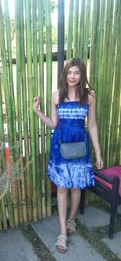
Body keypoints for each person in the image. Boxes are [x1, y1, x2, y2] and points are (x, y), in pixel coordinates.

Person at [33, 58, 103, 253]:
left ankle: (71, 219)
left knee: (76, 187)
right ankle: (63, 231)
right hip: (60, 147)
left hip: (80, 148)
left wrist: (97, 152)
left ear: (82, 75)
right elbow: (54, 124)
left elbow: (92, 125)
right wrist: (38, 111)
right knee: (62, 188)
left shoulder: (89, 96)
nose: (72, 76)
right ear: (65, 74)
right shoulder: (56, 96)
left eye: (77, 73)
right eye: (69, 73)